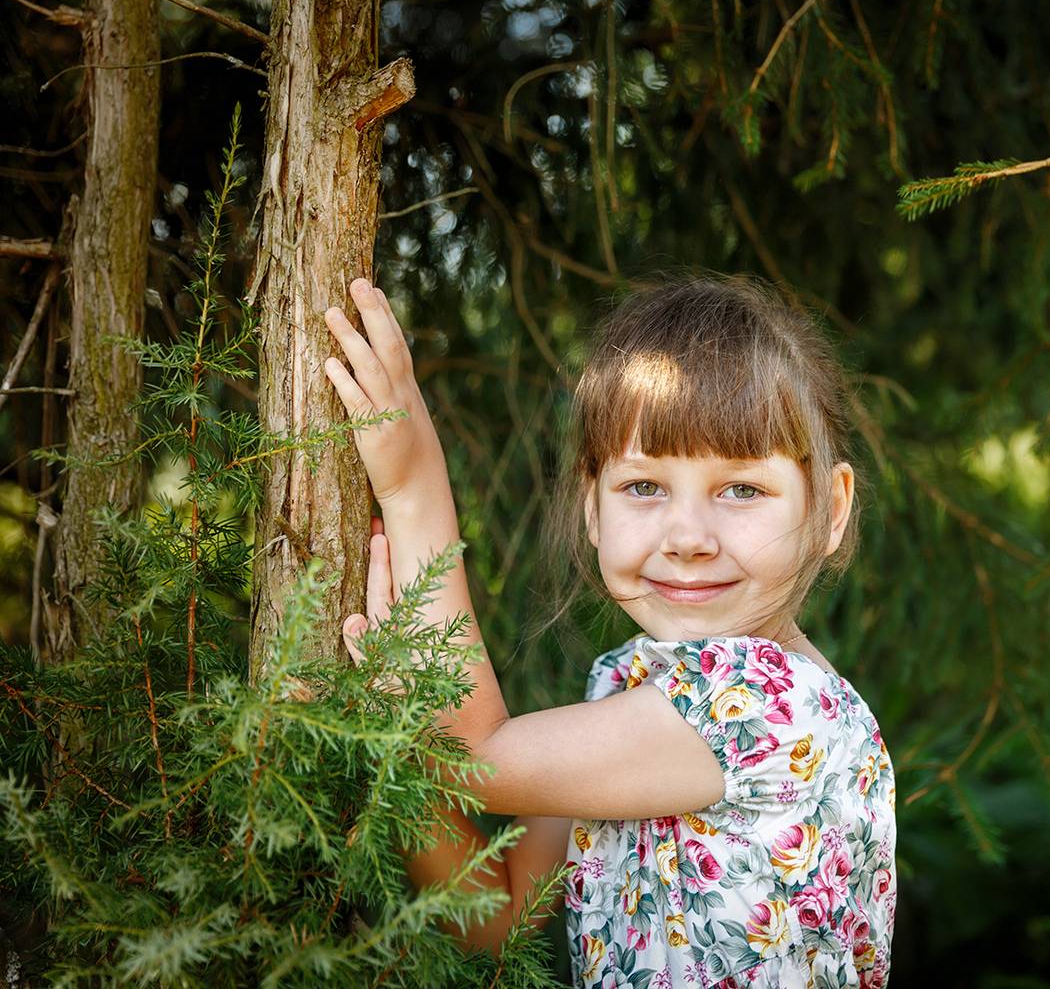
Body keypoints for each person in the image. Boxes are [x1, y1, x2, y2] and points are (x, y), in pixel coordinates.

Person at [322, 271, 897, 988]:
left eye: (742, 489)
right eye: (644, 486)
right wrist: (394, 744)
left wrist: (413, 484)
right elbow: (498, 919)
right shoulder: (629, 684)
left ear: (830, 510)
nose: (687, 537)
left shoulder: (767, 706)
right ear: (593, 505)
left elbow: (473, 752)